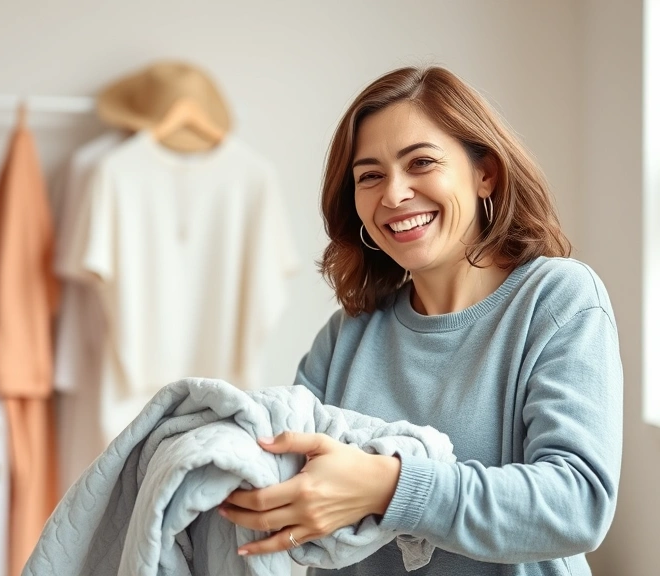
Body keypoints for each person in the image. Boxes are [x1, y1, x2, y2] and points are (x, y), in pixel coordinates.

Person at [217, 66, 623, 575]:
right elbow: (285, 479)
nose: (393, 194)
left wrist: (389, 486)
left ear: (485, 174)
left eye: (421, 162)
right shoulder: (347, 335)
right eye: (370, 176)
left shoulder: (558, 298)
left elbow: (577, 505)